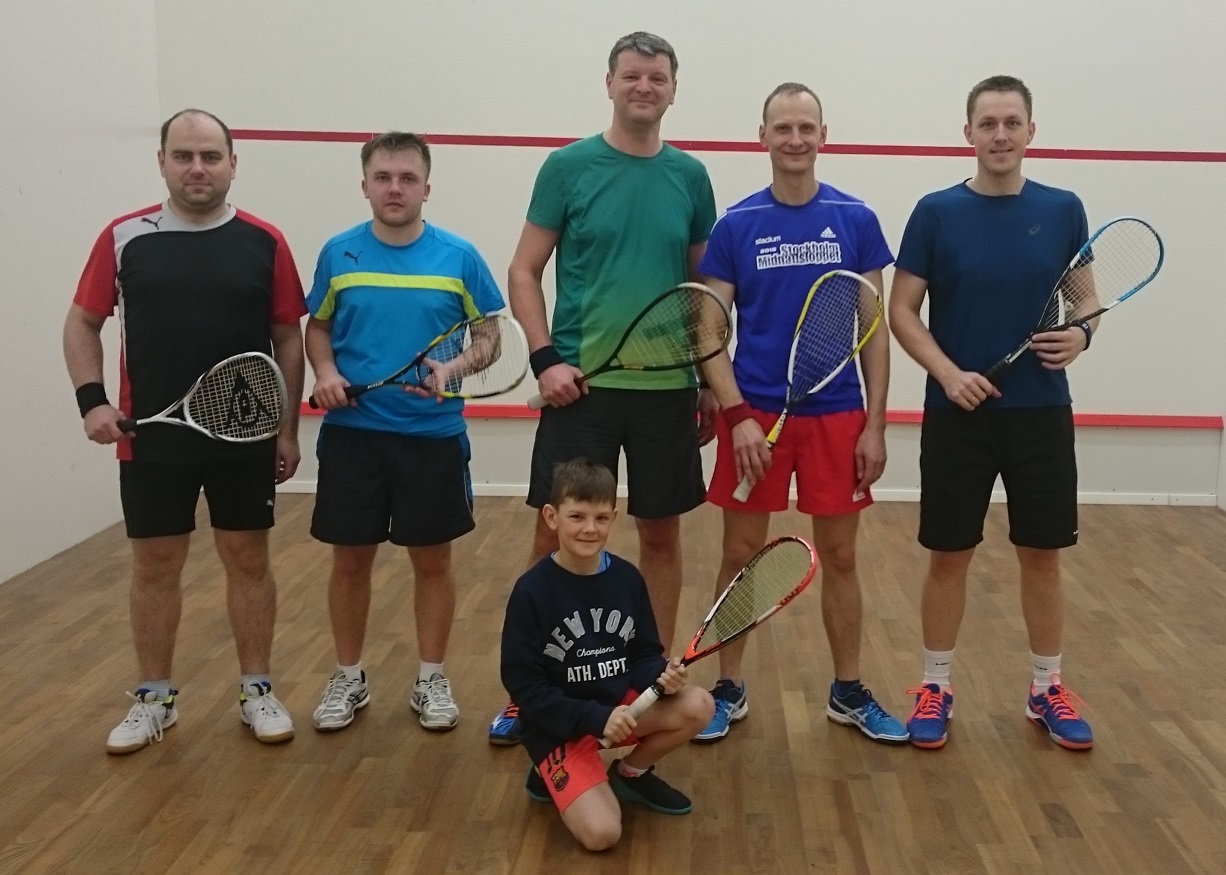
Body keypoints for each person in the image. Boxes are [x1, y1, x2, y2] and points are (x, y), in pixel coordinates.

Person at [490, 30, 719, 746]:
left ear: (673, 89)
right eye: (632, 75)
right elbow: (524, 268)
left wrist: (709, 382)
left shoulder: (691, 177)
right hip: (580, 390)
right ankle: (531, 690)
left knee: (661, 532)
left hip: (667, 391)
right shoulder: (568, 167)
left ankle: (646, 683)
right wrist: (545, 359)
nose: (644, 87)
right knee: (553, 532)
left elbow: (703, 291)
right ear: (610, 83)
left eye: (657, 77)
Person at [63, 108, 307, 754]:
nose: (197, 168)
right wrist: (92, 402)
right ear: (163, 162)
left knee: (248, 559)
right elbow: (82, 321)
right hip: (150, 438)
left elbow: (288, 338)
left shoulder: (265, 240)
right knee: (155, 564)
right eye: (184, 156)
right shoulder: (124, 237)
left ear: (232, 163)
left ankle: (257, 689)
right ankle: (154, 698)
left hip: (244, 436)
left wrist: (285, 430)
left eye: (210, 156)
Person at [692, 83, 908, 745]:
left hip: (837, 415)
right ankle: (728, 687)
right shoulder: (737, 225)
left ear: (823, 134)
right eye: (782, 128)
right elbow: (708, 330)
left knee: (840, 555)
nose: (794, 139)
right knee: (740, 551)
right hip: (755, 415)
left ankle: (848, 690)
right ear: (762, 136)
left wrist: (875, 424)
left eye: (805, 127)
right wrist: (737, 416)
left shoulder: (855, 219)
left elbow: (874, 329)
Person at [888, 75, 1095, 750]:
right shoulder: (936, 212)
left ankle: (1047, 687)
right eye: (988, 123)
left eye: (1011, 122)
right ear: (969, 133)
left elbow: (1086, 301)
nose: (1000, 135)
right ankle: (935, 686)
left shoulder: (1063, 209)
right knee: (949, 555)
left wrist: (1082, 334)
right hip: (959, 416)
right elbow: (901, 310)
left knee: (1042, 555)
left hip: (1040, 412)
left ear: (1031, 131)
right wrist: (948, 374)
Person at [306, 131, 505, 734]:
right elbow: (318, 328)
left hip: (432, 437)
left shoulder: (460, 257)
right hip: (354, 435)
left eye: (407, 178)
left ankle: (430, 678)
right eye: (384, 178)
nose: (395, 188)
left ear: (426, 187)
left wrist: (452, 369)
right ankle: (348, 676)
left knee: (433, 563)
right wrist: (326, 372)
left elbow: (489, 337)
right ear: (365, 185)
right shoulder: (339, 253)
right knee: (349, 564)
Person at [500, 458, 714, 851]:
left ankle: (630, 774)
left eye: (601, 518)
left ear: (614, 517)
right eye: (577, 516)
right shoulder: (531, 591)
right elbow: (524, 686)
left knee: (699, 704)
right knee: (603, 834)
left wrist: (659, 674)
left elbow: (643, 653)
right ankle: (547, 770)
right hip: (557, 727)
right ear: (551, 517)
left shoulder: (627, 578)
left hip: (618, 712)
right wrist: (595, 718)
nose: (590, 529)